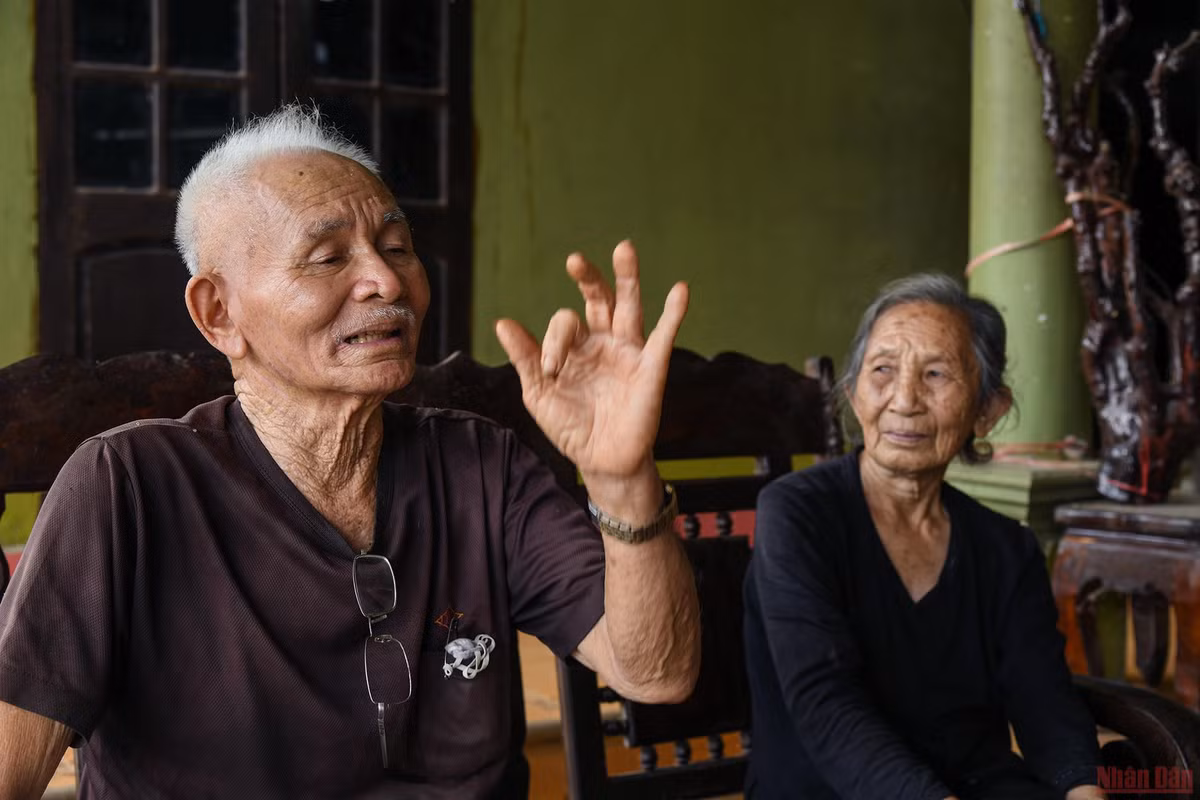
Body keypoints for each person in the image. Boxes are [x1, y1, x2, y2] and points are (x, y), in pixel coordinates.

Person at [0, 105, 700, 799]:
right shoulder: (126, 487)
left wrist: (622, 478)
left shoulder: (483, 464)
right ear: (220, 313)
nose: (387, 282)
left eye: (396, 248)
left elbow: (657, 672)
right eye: (329, 257)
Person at [743, 274, 1105, 800]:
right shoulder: (798, 513)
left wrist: (1085, 791)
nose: (905, 400)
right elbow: (826, 705)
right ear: (853, 393)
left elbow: (1043, 702)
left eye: (936, 374)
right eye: (883, 371)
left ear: (987, 411)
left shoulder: (1006, 548)